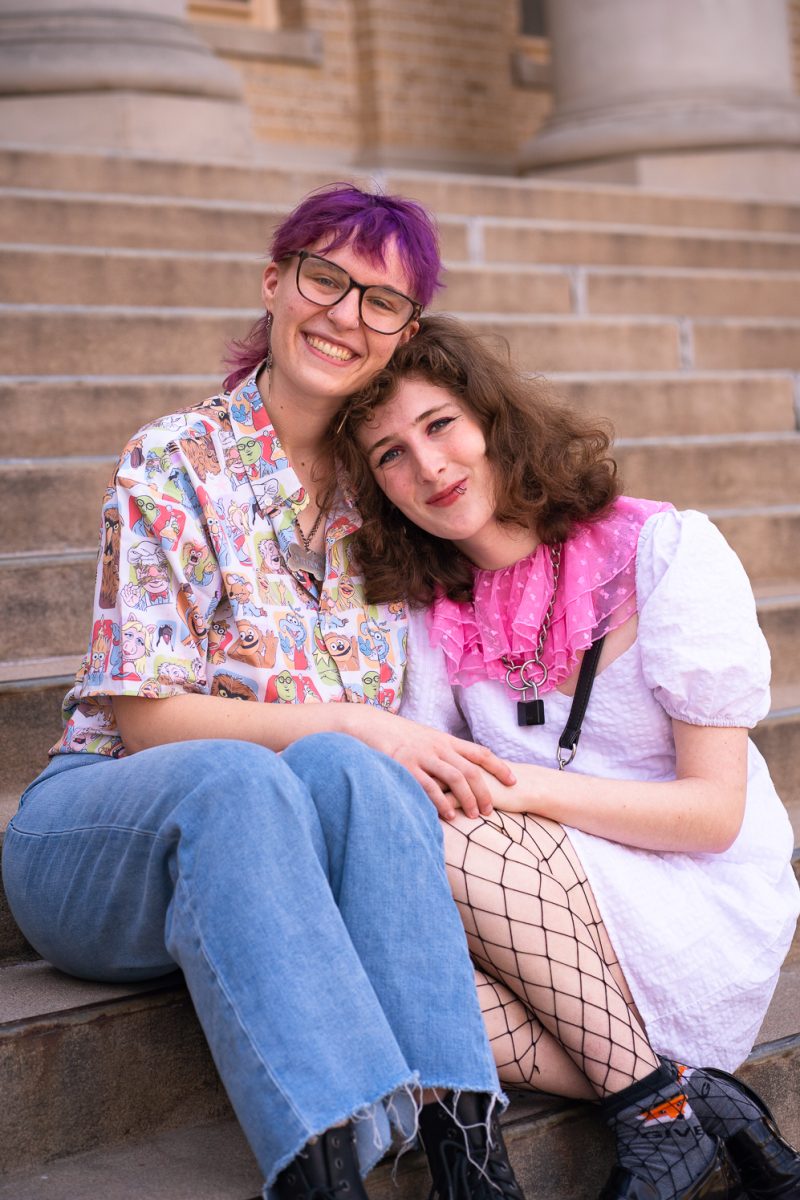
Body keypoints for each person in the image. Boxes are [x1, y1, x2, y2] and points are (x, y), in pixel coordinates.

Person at [1, 190, 529, 1200]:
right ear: (276, 282)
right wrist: (349, 718)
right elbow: (146, 718)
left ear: (403, 336)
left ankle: (471, 1161)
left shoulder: (384, 503)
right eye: (325, 278)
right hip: (102, 836)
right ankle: (321, 1175)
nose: (343, 315)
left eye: (380, 302)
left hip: (276, 867)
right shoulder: (175, 459)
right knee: (259, 774)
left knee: (349, 768)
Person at [333, 314, 800, 1200]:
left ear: (493, 420)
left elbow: (714, 815)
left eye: (439, 426)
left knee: (433, 835)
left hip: (692, 905)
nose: (427, 467)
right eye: (390, 454)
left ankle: (663, 1111)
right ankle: (681, 1104)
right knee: (367, 927)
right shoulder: (437, 613)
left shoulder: (664, 551)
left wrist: (522, 789)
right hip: (548, 926)